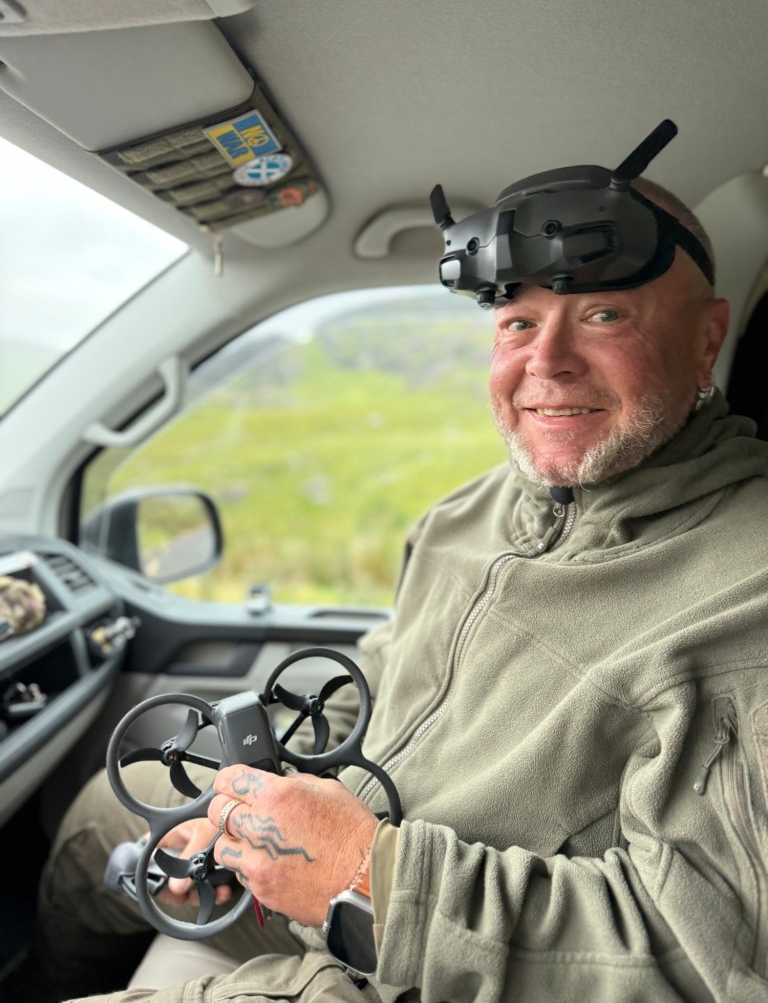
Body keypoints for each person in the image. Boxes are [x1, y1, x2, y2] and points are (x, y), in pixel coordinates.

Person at [36, 159, 768, 1002]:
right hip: (334, 872)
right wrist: (260, 803)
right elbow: (382, 679)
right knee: (106, 817)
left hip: (445, 966)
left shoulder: (745, 595)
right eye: (518, 322)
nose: (548, 361)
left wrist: (369, 875)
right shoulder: (472, 511)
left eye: (605, 315)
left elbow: (705, 955)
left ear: (706, 338)